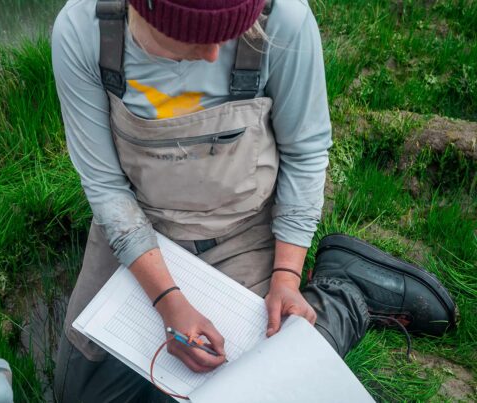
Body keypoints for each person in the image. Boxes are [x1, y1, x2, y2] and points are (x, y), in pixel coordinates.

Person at [50, 0, 457, 401]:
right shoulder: (84, 30)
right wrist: (167, 300)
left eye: (229, 34)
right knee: (79, 394)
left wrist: (285, 277)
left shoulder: (286, 19)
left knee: (256, 386)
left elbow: (306, 152)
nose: (214, 54)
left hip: (241, 232)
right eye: (195, 37)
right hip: (139, 230)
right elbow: (105, 188)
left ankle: (343, 292)